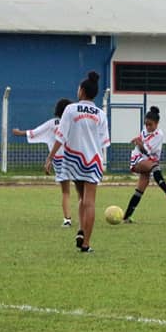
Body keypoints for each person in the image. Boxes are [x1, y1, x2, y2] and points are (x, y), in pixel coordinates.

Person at [45, 71, 110, 253]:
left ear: (81, 91)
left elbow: (61, 135)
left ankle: (81, 230)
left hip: (74, 160)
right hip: (94, 160)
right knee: (89, 202)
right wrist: (101, 164)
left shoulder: (70, 109)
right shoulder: (100, 114)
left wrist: (50, 157)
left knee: (81, 197)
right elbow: (104, 142)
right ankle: (86, 242)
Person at [13, 98, 74, 227]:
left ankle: (67, 220)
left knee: (65, 192)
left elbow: (36, 132)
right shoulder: (74, 123)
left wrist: (20, 133)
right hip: (75, 158)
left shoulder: (52, 124)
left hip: (58, 160)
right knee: (81, 189)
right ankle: (85, 214)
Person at [122, 106, 166, 224]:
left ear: (157, 123)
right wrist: (138, 140)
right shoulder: (145, 131)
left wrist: (139, 143)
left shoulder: (159, 135)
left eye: (150, 124)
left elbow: (146, 150)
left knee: (139, 191)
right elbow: (142, 147)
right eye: (146, 124)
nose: (148, 127)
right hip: (138, 160)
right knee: (155, 167)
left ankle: (126, 217)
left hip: (147, 158)